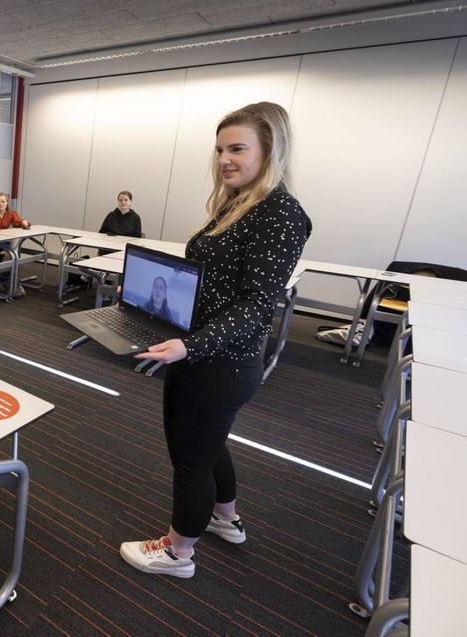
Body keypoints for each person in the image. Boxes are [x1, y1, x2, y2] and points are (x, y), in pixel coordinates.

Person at [119, 102, 312, 578]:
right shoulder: (239, 200)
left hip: (220, 360)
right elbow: (217, 281)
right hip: (205, 352)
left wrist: (189, 346)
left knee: (190, 459)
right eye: (221, 148)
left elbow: (255, 305)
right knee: (209, 446)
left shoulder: (280, 213)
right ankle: (226, 520)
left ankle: (177, 553)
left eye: (238, 148)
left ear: (271, 150)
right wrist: (152, 301)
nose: (225, 158)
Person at [0, 192, 30, 297]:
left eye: (3, 202)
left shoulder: (10, 213)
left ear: (7, 203)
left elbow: (18, 222)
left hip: (0, 241)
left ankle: (8, 275)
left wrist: (24, 223)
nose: (0, 204)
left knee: (13, 247)